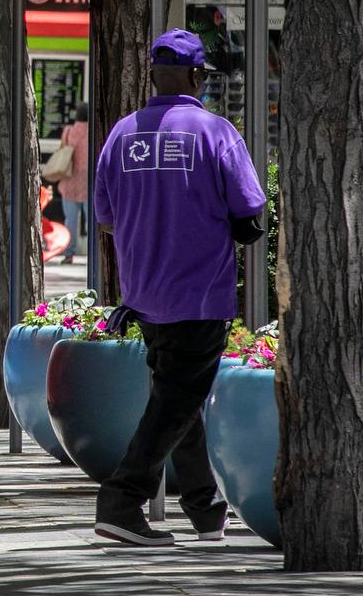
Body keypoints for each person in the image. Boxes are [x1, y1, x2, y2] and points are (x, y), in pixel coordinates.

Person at [91, 28, 266, 547]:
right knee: (177, 399)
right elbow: (250, 210)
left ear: (153, 74)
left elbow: (103, 217)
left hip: (145, 295)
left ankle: (205, 508)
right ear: (195, 76)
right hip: (201, 292)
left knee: (178, 396)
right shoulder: (216, 133)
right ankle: (122, 500)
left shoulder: (121, 135)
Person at [57, 104, 92, 264]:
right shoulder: (95, 132)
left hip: (70, 181)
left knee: (70, 221)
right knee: (93, 220)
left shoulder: (69, 131)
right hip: (90, 182)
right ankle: (94, 254)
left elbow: (62, 150)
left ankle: (69, 253)